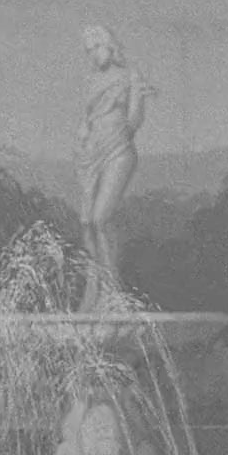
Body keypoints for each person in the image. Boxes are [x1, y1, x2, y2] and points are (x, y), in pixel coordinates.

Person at [75, 25, 157, 312]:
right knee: (86, 223)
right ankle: (93, 287)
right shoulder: (91, 81)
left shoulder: (129, 76)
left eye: (97, 47)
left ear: (109, 46)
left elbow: (133, 123)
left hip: (118, 150)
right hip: (91, 154)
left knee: (100, 219)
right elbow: (86, 118)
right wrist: (82, 138)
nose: (93, 55)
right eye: (88, 50)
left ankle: (112, 290)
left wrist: (139, 98)